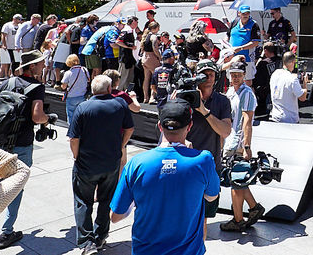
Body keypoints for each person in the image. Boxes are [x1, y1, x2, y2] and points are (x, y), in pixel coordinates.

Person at [109, 101, 219, 255]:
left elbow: (115, 216)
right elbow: (211, 196)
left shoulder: (136, 163)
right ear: (190, 126)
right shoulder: (204, 160)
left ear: (160, 126)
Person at [0, 50, 52, 249]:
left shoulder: (7, 82)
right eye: (40, 64)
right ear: (32, 67)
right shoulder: (37, 87)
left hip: (0, 144)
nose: (43, 66)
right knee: (15, 188)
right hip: (21, 144)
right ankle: (7, 232)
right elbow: (37, 117)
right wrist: (48, 119)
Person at [69, 75, 135, 252]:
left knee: (83, 201)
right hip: (110, 162)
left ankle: (86, 241)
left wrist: (76, 156)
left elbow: (74, 138)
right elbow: (130, 128)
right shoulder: (120, 104)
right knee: (106, 200)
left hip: (86, 163)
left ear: (92, 89)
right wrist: (121, 145)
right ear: (109, 89)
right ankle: (100, 236)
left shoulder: (83, 107)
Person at [220, 61, 265, 232]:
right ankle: (254, 208)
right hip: (230, 140)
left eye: (239, 74)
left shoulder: (247, 93)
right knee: (238, 181)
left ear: (244, 75)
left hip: (237, 143)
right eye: (233, 74)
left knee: (235, 182)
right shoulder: (231, 91)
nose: (236, 77)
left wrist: (247, 146)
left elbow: (247, 121)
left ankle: (238, 219)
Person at [186, 60, 232, 224]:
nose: (207, 77)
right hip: (186, 164)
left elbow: (225, 131)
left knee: (204, 216)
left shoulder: (222, 101)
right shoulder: (185, 97)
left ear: (216, 77)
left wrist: (204, 112)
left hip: (211, 165)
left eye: (211, 74)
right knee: (184, 211)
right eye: (203, 74)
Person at [222, 5, 262, 86]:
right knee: (232, 81)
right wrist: (225, 45)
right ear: (239, 13)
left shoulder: (254, 25)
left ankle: (249, 98)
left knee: (247, 83)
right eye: (243, 13)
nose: (245, 15)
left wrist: (240, 48)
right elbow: (228, 35)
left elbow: (255, 42)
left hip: (247, 58)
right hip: (232, 58)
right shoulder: (235, 22)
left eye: (247, 13)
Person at [269, 51, 309, 123]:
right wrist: (305, 85)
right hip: (289, 119)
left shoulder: (275, 74)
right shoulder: (292, 79)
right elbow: (302, 98)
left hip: (275, 116)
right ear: (293, 62)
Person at [61, 54, 91, 130]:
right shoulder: (84, 70)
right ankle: (81, 130)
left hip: (71, 96)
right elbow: (88, 80)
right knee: (81, 115)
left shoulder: (68, 73)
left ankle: (72, 132)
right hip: (82, 96)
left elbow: (64, 86)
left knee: (71, 115)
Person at [0, 14, 23, 78]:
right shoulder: (7, 25)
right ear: (14, 19)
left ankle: (15, 76)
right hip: (8, 47)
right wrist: (4, 44)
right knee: (5, 63)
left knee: (16, 62)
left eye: (20, 19)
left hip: (16, 48)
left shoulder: (20, 26)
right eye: (18, 19)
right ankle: (3, 76)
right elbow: (3, 35)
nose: (20, 21)